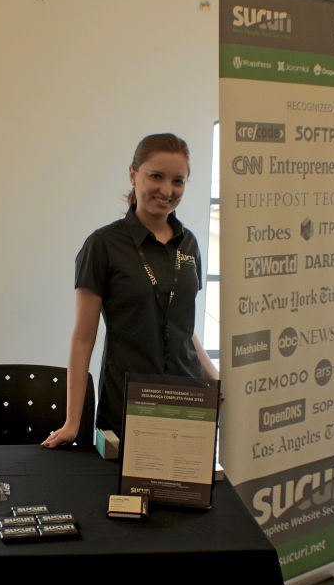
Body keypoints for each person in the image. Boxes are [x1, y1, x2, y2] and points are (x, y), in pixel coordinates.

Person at [42, 133, 219, 448]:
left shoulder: (189, 244)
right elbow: (83, 338)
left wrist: (215, 379)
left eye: (178, 181)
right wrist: (72, 422)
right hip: (129, 408)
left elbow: (180, 323)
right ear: (133, 174)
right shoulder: (103, 245)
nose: (167, 190)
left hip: (188, 405)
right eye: (156, 176)